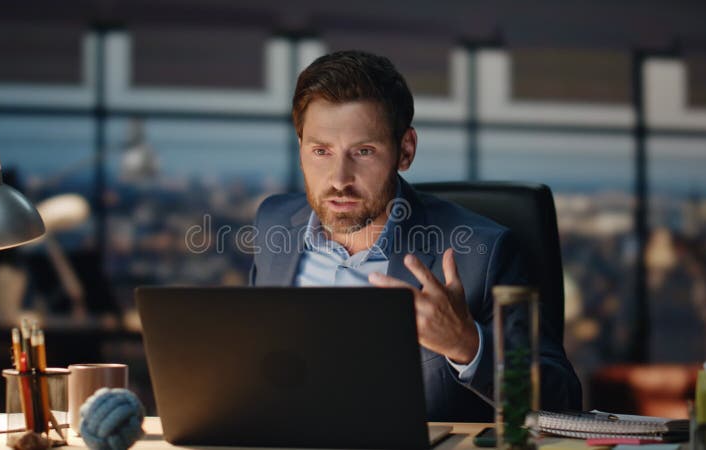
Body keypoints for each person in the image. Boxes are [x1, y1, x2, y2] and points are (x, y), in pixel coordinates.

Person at [249, 50, 581, 421]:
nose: (339, 179)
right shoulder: (274, 222)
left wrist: (467, 345)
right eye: (321, 151)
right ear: (301, 150)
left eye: (363, 151)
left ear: (405, 150)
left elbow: (563, 400)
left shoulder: (482, 253)